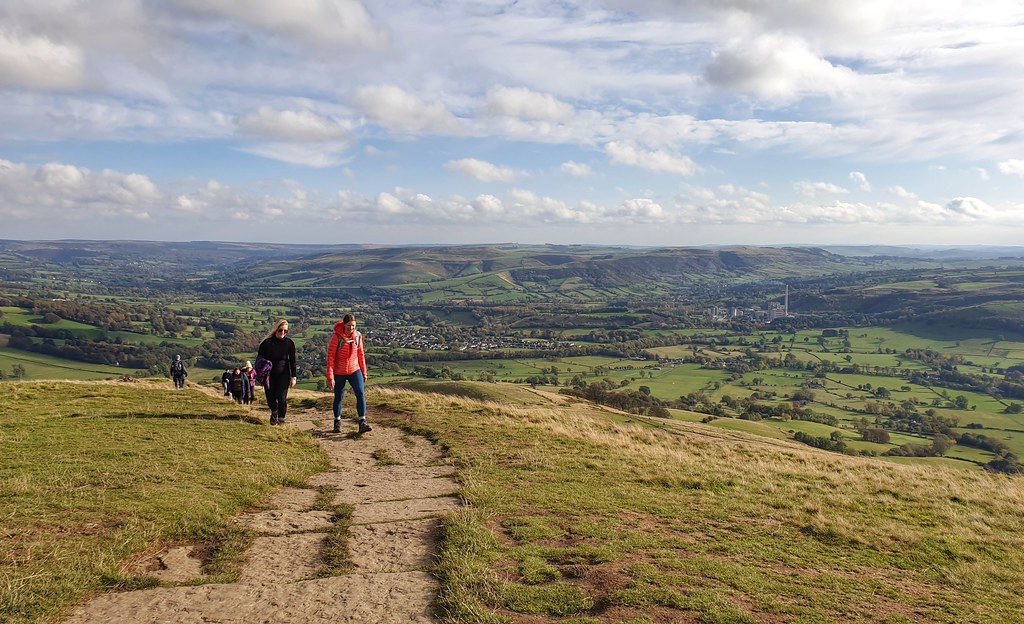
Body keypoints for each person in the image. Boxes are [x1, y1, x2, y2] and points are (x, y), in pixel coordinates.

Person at [326, 313, 369, 434]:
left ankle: (362, 422)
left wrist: (364, 372)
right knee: (339, 397)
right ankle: (337, 422)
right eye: (349, 325)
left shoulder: (358, 336)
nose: (351, 328)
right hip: (339, 371)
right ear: (344, 325)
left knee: (360, 393)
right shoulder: (336, 337)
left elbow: (361, 354)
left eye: (354, 326)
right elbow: (330, 357)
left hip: (354, 370)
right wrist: (330, 376)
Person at [257, 319, 296, 425]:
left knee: (282, 397)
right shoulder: (266, 343)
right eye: (280, 330)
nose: (283, 333)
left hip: (284, 374)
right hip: (268, 375)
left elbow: (292, 361)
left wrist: (294, 377)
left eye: (285, 331)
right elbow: (259, 360)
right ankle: (274, 411)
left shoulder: (289, 343)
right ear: (275, 330)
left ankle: (281, 420)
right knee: (270, 398)